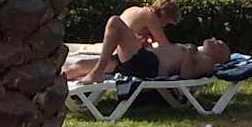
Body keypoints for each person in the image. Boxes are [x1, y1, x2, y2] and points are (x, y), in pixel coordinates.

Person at [72, 31, 229, 85]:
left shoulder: (207, 62)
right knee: (80, 65)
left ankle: (98, 72)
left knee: (115, 22)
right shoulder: (198, 53)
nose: (214, 39)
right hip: (144, 59)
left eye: (218, 43)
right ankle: (56, 82)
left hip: (148, 66)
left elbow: (186, 76)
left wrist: (189, 52)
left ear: (219, 55)